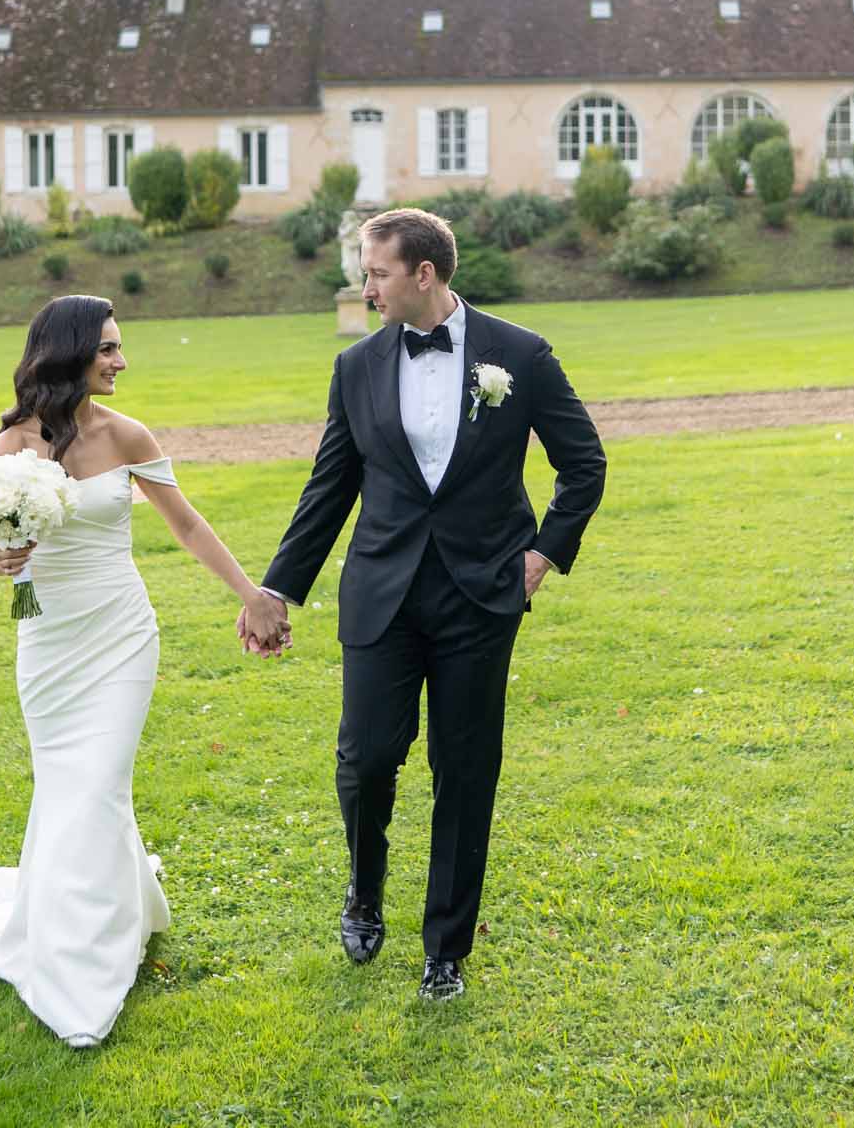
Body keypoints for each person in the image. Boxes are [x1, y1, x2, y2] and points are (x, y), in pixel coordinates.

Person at [0, 294, 288, 1047]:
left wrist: (253, 594)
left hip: (119, 636)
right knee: (69, 786)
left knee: (99, 781)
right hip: (47, 641)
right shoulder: (11, 447)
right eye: (107, 348)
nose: (120, 360)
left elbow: (185, 522)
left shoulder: (128, 435)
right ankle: (106, 917)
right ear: (70, 354)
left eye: (119, 347)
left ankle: (86, 963)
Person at [243, 208, 606, 1002]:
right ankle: (363, 892)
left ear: (423, 275)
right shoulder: (356, 367)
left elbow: (584, 465)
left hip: (482, 596)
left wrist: (543, 554)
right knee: (368, 757)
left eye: (374, 273)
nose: (364, 287)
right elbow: (329, 486)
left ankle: (445, 947)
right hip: (381, 592)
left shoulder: (520, 355)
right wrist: (278, 587)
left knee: (465, 768)